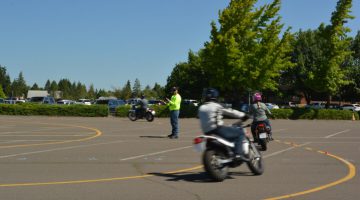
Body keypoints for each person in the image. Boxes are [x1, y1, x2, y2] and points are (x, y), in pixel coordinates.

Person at [198, 88, 249, 160]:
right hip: (218, 130)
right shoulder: (217, 105)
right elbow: (231, 111)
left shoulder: (201, 108)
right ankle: (238, 154)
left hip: (207, 132)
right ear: (215, 96)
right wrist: (243, 115)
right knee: (240, 133)